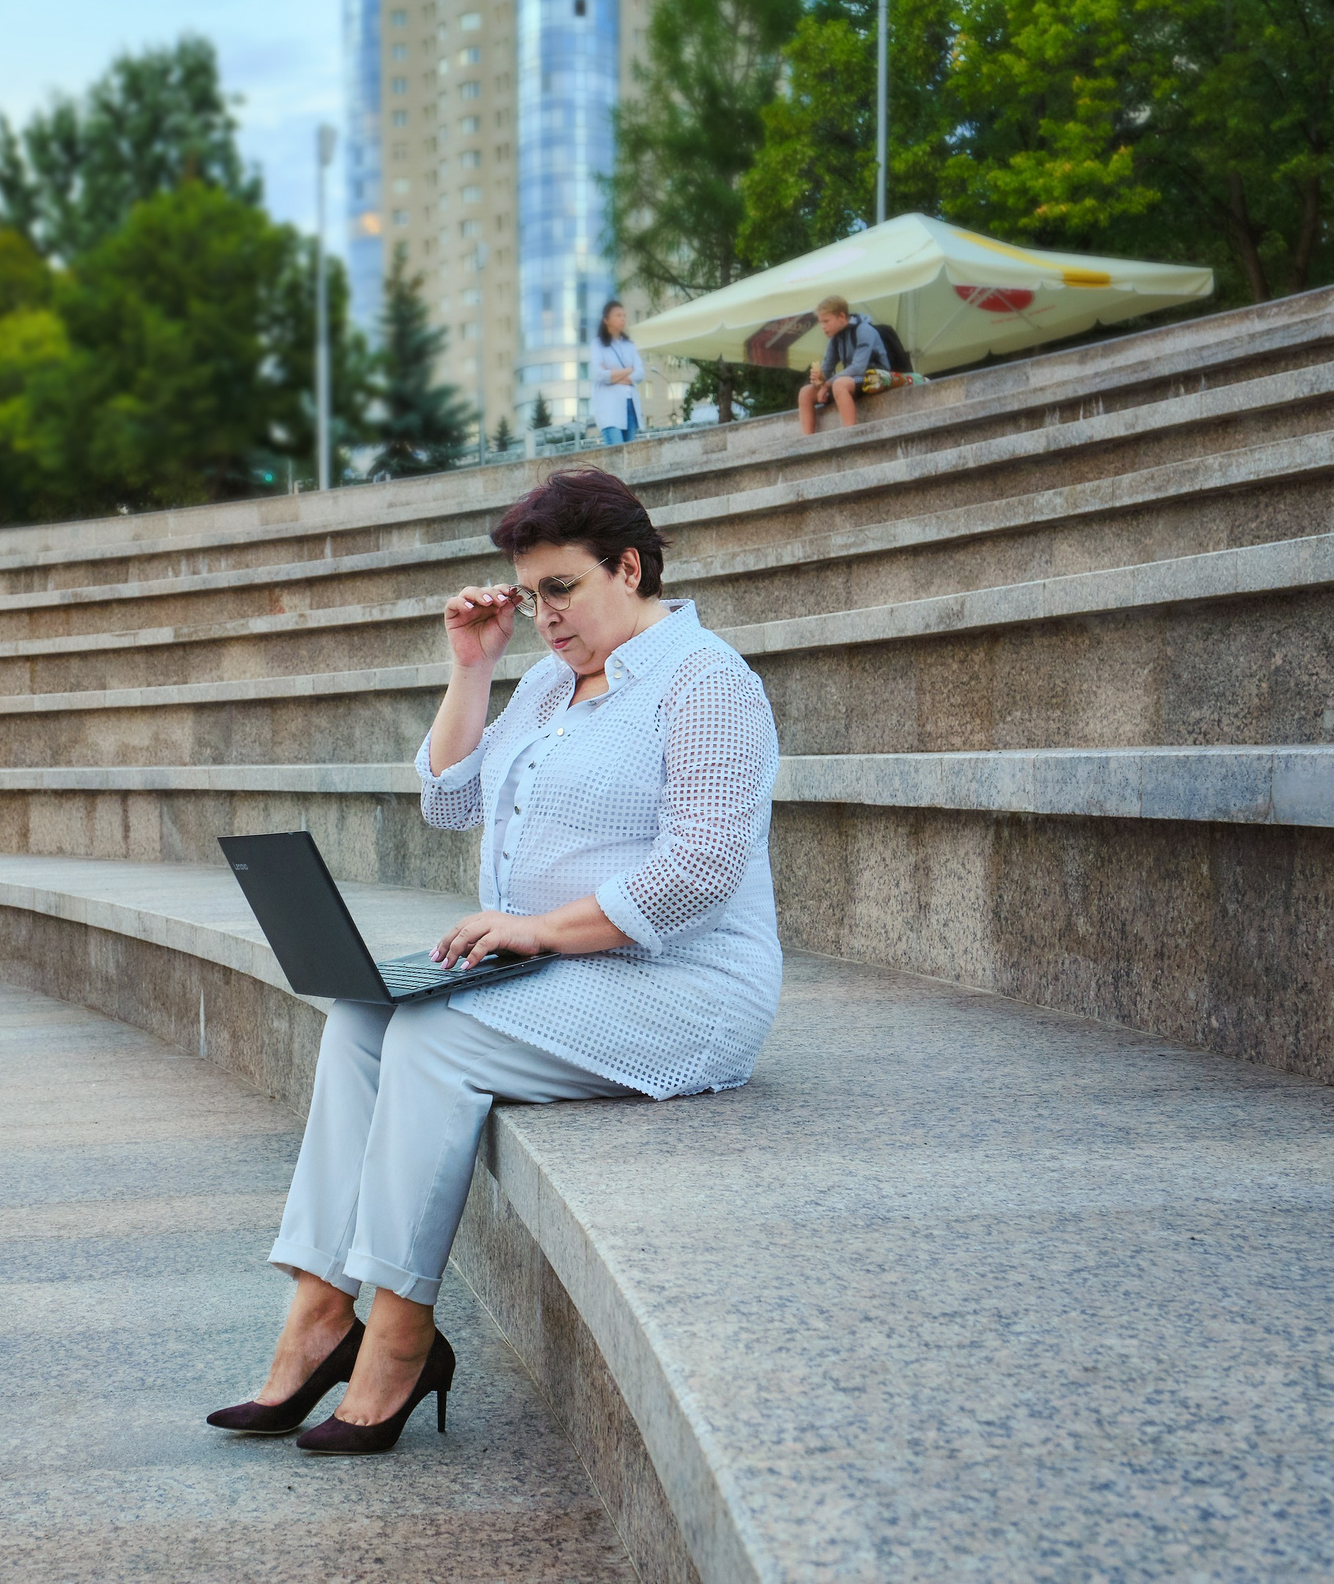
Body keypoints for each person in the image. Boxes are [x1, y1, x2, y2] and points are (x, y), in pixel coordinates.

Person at [207, 466, 783, 1455]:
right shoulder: (555, 681)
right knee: (361, 1012)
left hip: (680, 985)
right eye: (530, 596)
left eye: (560, 588)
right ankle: (316, 1312)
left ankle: (398, 1335)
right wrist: (472, 666)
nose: (544, 616)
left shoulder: (707, 683)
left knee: (436, 1035)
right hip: (555, 973)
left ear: (629, 566)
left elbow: (700, 872)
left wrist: (545, 928)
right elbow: (449, 799)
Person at [797, 294, 889, 435]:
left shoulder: (864, 330)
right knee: (805, 392)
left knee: (839, 384)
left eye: (826, 321)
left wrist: (827, 385)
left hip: (877, 376)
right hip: (853, 379)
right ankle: (807, 441)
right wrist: (819, 379)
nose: (823, 327)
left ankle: (851, 435)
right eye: (821, 322)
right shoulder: (836, 338)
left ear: (841, 316)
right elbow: (827, 369)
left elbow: (858, 368)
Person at [591, 300, 645, 444]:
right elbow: (598, 374)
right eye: (618, 315)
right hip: (610, 407)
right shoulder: (597, 344)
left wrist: (612, 374)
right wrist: (627, 370)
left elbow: (640, 373)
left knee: (631, 453)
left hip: (630, 405)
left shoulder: (629, 345)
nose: (622, 318)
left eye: (624, 315)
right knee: (616, 452)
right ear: (606, 320)